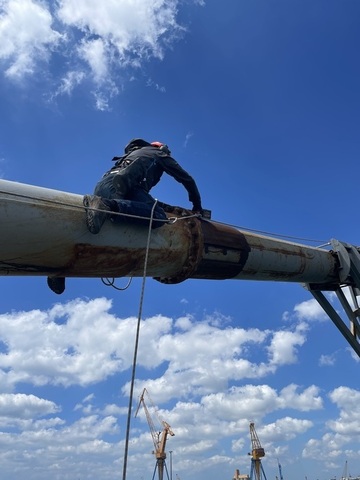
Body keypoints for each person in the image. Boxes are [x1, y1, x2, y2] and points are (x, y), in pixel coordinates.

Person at [83, 138, 203, 235]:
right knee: (158, 215)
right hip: (122, 188)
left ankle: (102, 204)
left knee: (147, 205)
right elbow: (187, 179)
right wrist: (197, 206)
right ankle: (105, 206)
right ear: (161, 148)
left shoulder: (134, 154)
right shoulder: (159, 154)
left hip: (102, 186)